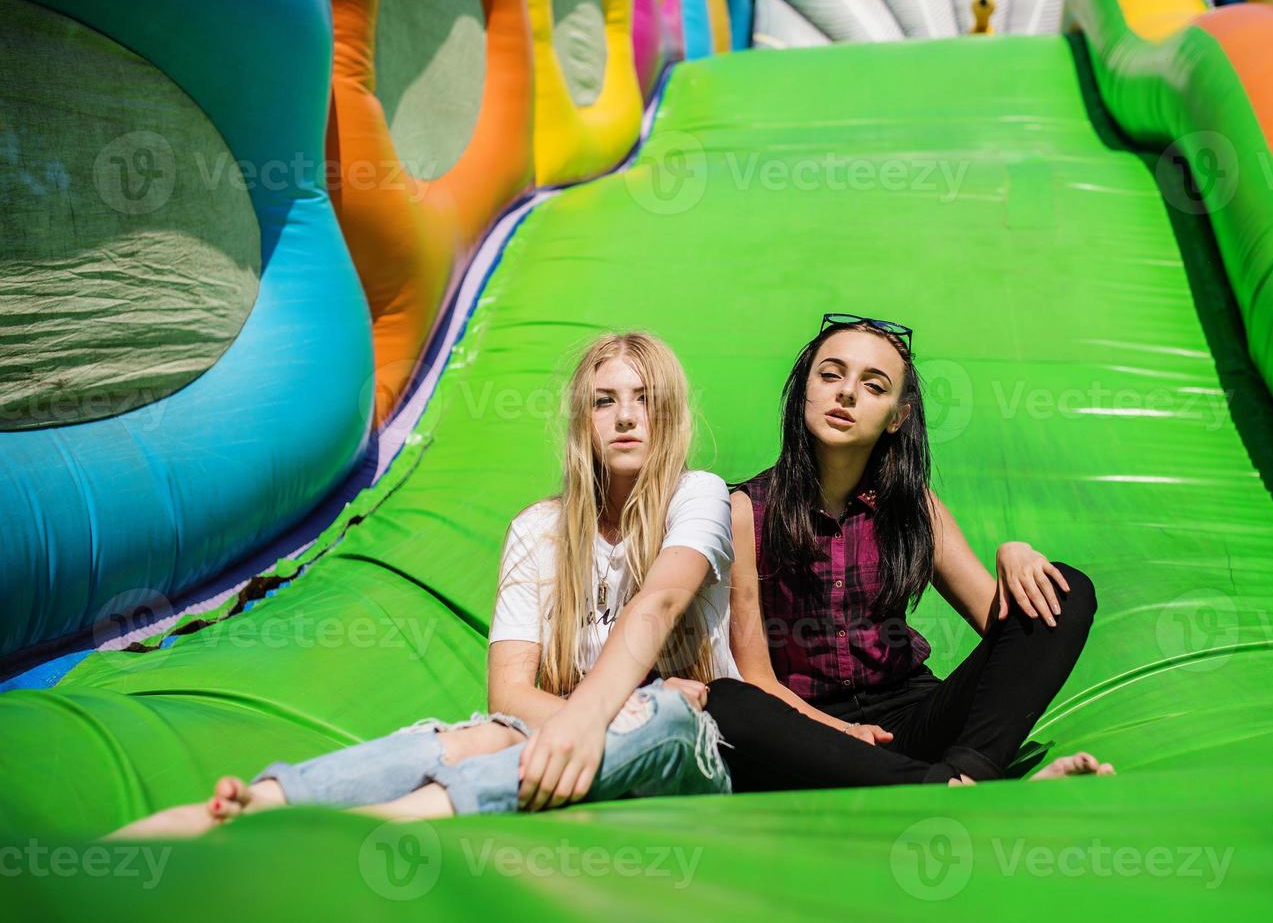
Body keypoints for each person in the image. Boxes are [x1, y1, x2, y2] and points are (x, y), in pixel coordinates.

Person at [111, 332, 737, 838]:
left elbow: (659, 602)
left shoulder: (698, 494)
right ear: (584, 420)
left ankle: (392, 822)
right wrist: (582, 721)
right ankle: (268, 801)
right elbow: (511, 692)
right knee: (481, 734)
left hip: (688, 749)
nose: (626, 415)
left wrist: (602, 714)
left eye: (643, 396)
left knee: (663, 712)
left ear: (669, 412)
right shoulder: (540, 528)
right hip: (565, 737)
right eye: (605, 400)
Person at [706, 313, 1115, 789]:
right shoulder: (743, 511)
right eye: (831, 374)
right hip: (814, 737)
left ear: (897, 418)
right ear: (803, 392)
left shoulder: (915, 505)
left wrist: (1014, 554)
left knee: (1063, 592)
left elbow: (1005, 627)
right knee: (726, 701)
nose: (847, 393)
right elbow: (759, 678)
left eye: (875, 386)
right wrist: (843, 731)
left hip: (918, 717)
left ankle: (968, 774)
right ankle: (952, 786)